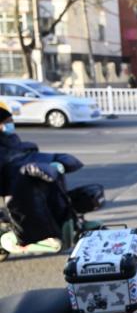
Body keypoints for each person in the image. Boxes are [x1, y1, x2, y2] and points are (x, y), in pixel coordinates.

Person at [0, 106, 83, 247]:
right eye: (8, 121)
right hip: (13, 187)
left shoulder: (12, 141)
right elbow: (12, 163)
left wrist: (54, 161)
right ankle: (37, 236)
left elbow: (26, 155)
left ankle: (58, 228)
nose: (11, 124)